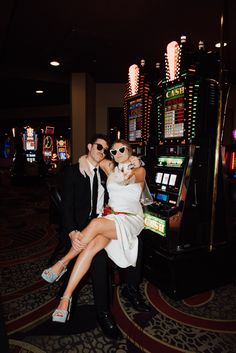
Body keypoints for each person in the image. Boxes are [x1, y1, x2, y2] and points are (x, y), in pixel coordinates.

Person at [42, 134, 150, 339]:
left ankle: (63, 264)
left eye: (120, 150)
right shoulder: (89, 169)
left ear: (129, 151)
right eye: (110, 150)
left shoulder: (134, 169)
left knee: (96, 233)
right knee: (93, 250)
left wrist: (136, 162)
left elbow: (130, 179)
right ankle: (66, 299)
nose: (112, 153)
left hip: (121, 220)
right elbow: (65, 208)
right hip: (86, 228)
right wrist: (72, 231)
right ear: (91, 147)